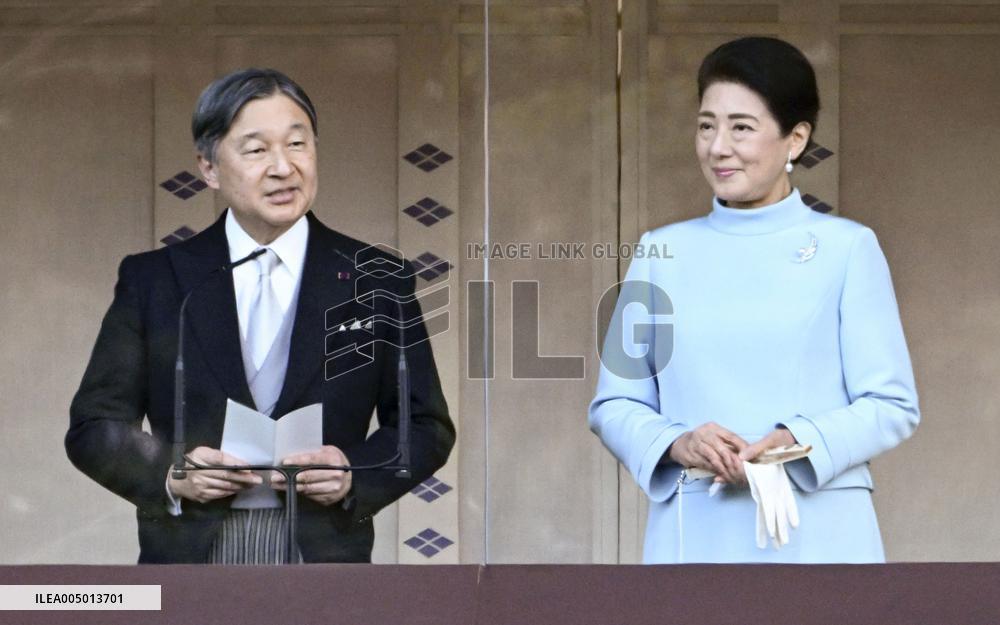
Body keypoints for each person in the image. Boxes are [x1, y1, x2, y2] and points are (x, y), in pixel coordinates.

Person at [66, 68, 455, 564]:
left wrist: (354, 471)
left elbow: (425, 425)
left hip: (324, 557)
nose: (283, 168)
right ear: (208, 167)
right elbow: (95, 424)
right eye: (256, 150)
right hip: (191, 555)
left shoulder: (374, 278)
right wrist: (169, 471)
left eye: (298, 145)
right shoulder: (157, 281)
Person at [589, 37, 919, 563]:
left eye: (741, 127)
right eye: (706, 125)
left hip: (821, 531)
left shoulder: (848, 249)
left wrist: (797, 438)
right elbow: (615, 403)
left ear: (795, 139)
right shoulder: (660, 252)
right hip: (694, 529)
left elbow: (892, 405)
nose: (718, 146)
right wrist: (677, 443)